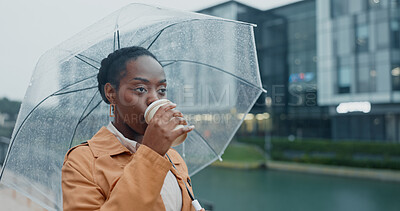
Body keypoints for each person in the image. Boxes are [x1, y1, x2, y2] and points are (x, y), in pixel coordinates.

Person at [62, 46, 201, 211]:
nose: (154, 99)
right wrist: (151, 154)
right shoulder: (82, 162)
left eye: (162, 90)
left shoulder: (173, 158)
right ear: (111, 93)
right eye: (140, 89)